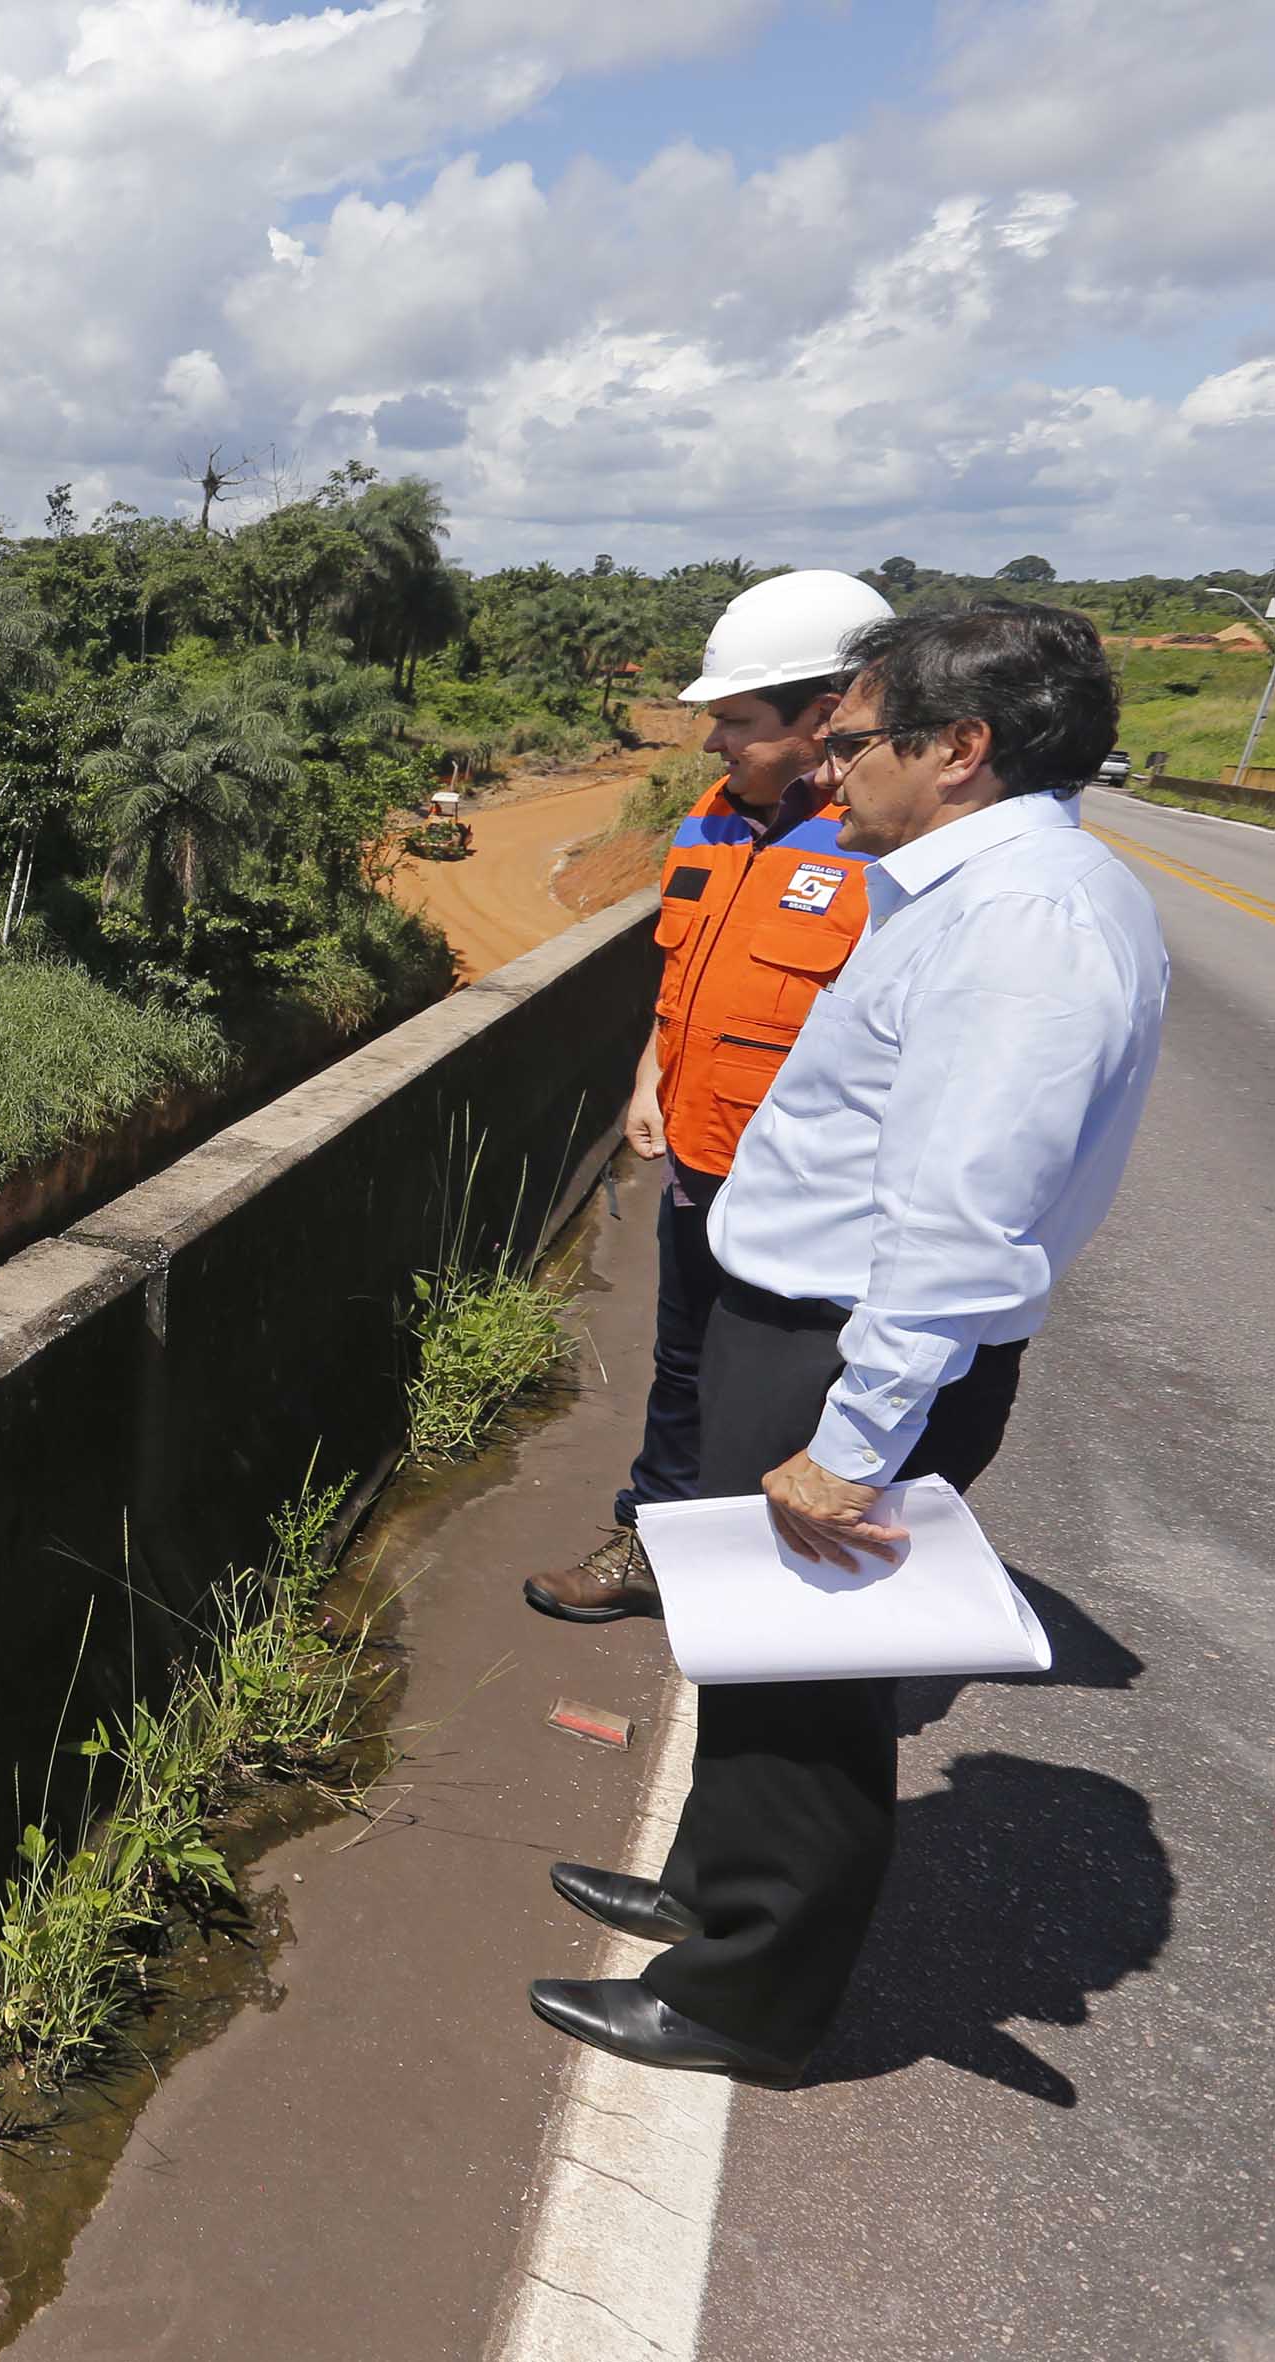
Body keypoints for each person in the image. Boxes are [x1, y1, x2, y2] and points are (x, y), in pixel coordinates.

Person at [531, 601, 1167, 2086]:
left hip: (840, 1351)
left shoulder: (1023, 922)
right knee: (756, 1660)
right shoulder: (974, 888)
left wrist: (850, 1443)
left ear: (960, 751)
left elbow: (962, 1217)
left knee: (812, 1689)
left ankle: (743, 1997)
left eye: (857, 738)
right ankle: (706, 1885)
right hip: (797, 1325)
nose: (828, 765)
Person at [523, 570, 892, 1626]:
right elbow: (688, 973)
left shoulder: (886, 850)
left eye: (736, 719)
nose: (713, 743)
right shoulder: (713, 821)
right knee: (681, 1369)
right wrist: (650, 1071)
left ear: (826, 714)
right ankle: (654, 1544)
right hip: (700, 1157)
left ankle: (784, 1591)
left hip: (810, 1192)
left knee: (786, 1397)